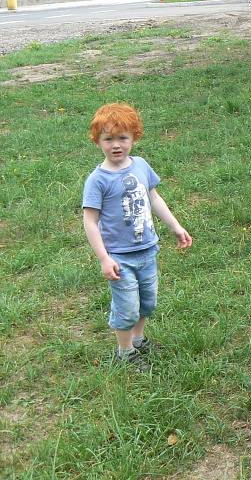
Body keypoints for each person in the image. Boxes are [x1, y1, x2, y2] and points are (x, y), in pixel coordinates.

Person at [82, 103, 193, 372]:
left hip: (147, 250)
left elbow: (154, 198)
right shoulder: (98, 180)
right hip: (119, 258)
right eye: (108, 139)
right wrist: (104, 259)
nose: (116, 145)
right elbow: (90, 221)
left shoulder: (141, 166)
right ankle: (124, 352)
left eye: (123, 138)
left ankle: (139, 339)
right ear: (98, 141)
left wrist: (176, 227)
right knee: (127, 308)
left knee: (147, 302)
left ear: (134, 137)